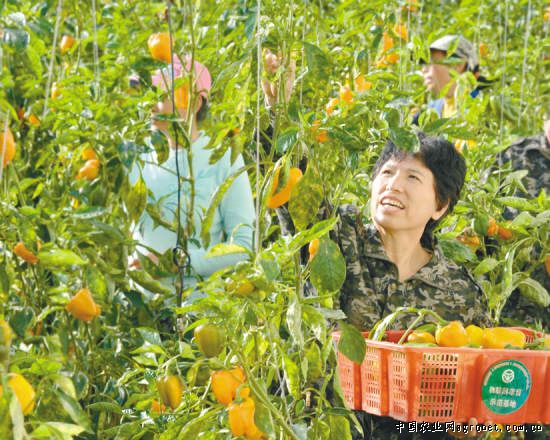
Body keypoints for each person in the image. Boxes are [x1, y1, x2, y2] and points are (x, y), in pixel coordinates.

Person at [129, 56, 255, 294]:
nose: (150, 103)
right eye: (148, 93)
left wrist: (178, 263)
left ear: (196, 103)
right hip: (139, 314)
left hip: (196, 317)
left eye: (161, 94)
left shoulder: (222, 158)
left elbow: (242, 248)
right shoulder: (138, 155)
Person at [414, 34, 490, 123]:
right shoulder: (433, 107)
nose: (423, 69)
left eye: (430, 62)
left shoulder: (481, 107)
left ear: (457, 65)